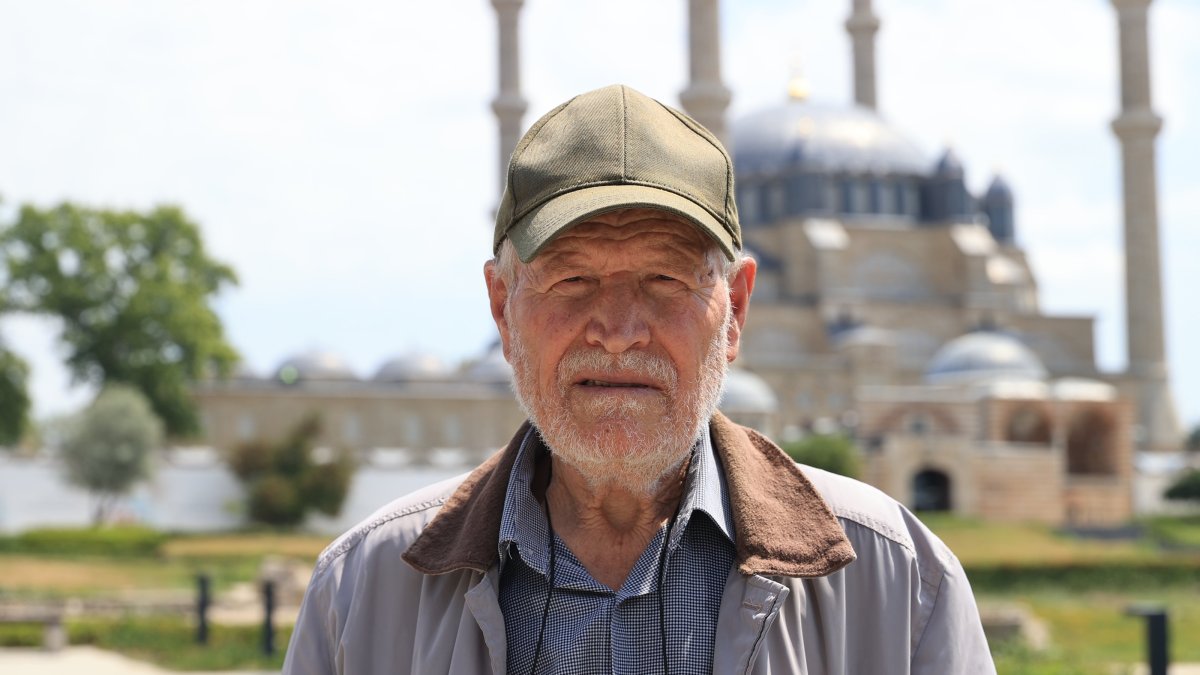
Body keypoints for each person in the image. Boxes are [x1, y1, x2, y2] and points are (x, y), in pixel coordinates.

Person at [282, 84, 996, 674]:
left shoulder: (898, 584)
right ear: (503, 308)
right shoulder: (364, 592)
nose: (618, 329)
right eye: (572, 278)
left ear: (737, 308)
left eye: (663, 279)